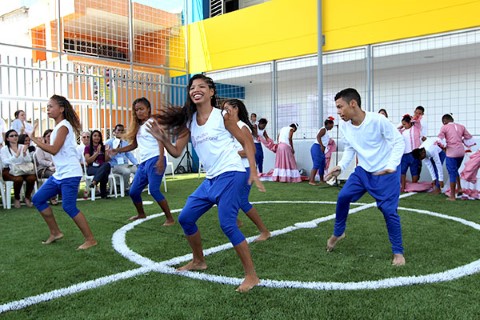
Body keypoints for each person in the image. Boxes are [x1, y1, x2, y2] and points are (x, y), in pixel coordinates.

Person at [146, 74, 265, 292]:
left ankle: (251, 276)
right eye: (192, 87)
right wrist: (161, 138)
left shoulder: (224, 116)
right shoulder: (190, 122)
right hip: (211, 179)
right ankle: (199, 261)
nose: (195, 90)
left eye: (202, 86)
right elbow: (176, 151)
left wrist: (254, 171)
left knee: (227, 224)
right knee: (186, 218)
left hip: (232, 173)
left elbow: (247, 142)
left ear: (211, 92)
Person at [325, 88, 406, 266]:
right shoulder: (346, 126)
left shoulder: (378, 120)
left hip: (386, 172)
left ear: (353, 104)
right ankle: (339, 232)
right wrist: (341, 166)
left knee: (389, 212)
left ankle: (398, 252)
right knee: (343, 196)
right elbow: (350, 148)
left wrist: (392, 165)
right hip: (363, 171)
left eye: (340, 107)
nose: (338, 112)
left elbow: (399, 141)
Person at [29, 95, 97, 249]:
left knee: (69, 207)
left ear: (61, 109)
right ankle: (55, 232)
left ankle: (90, 239)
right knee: (38, 199)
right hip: (60, 174)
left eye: (51, 106)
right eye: (47, 106)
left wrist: (34, 139)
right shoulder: (58, 128)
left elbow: (54, 150)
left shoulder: (64, 127)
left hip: (70, 174)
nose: (48, 109)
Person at [111, 97, 174, 224]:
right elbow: (134, 145)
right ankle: (141, 214)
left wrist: (161, 159)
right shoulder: (138, 127)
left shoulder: (153, 122)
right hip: (144, 163)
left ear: (148, 109)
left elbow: (160, 140)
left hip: (155, 159)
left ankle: (170, 218)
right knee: (133, 192)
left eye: (141, 109)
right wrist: (117, 151)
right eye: (136, 110)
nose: (139, 112)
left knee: (154, 190)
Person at [222, 99, 271, 241]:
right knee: (222, 195)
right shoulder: (230, 126)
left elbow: (252, 149)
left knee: (242, 200)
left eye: (227, 109)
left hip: (245, 168)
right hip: (234, 168)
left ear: (235, 108)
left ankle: (264, 231)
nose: (224, 112)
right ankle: (236, 220)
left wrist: (232, 154)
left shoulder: (242, 127)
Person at [437, 113, 474, 201]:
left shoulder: (444, 127)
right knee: (455, 170)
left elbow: (439, 140)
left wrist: (444, 148)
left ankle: (452, 196)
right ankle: (460, 188)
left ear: (445, 121)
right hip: (461, 152)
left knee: (452, 172)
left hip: (451, 152)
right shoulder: (461, 126)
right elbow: (468, 138)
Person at [1, 129, 37, 208]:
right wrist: (15, 156)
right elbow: (4, 162)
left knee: (32, 178)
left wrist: (24, 154)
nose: (14, 137)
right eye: (12, 136)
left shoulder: (23, 146)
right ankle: (17, 198)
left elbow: (28, 160)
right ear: (7, 138)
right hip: (9, 170)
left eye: (16, 135)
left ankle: (27, 198)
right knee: (18, 179)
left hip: (23, 169)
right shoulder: (4, 149)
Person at [105, 124, 138, 193]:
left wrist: (137, 163)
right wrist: (115, 150)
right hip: (115, 165)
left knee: (139, 170)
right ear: (114, 132)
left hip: (125, 164)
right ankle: (124, 188)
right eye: (118, 130)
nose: (120, 132)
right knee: (126, 171)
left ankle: (131, 186)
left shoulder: (125, 143)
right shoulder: (109, 142)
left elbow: (129, 155)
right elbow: (106, 156)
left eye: (122, 131)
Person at [84, 130, 112, 199]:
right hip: (92, 168)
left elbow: (106, 160)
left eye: (99, 136)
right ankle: (103, 194)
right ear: (92, 137)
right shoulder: (87, 147)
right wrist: (97, 153)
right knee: (104, 172)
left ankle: (94, 182)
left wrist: (106, 151)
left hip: (102, 167)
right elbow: (88, 161)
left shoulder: (104, 147)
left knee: (106, 165)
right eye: (95, 136)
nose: (97, 137)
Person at [398, 114, 422, 192]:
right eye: (403, 124)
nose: (404, 126)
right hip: (405, 154)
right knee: (402, 170)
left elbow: (417, 120)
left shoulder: (416, 128)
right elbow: (396, 129)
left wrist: (411, 119)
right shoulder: (402, 131)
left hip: (413, 153)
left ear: (409, 123)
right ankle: (403, 187)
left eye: (405, 124)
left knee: (414, 171)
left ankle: (414, 187)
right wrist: (401, 125)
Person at [309, 117, 335, 185]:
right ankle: (311, 180)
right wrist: (321, 146)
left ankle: (321, 179)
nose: (332, 127)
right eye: (332, 125)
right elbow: (318, 137)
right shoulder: (323, 129)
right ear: (329, 124)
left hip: (320, 148)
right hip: (317, 147)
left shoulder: (325, 131)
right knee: (317, 164)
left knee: (322, 164)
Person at [35, 129, 58, 205]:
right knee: (54, 175)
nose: (50, 138)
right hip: (43, 169)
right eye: (48, 136)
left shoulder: (56, 147)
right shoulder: (40, 148)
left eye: (52, 136)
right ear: (44, 138)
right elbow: (40, 160)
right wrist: (51, 164)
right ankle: (52, 197)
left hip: (56, 168)